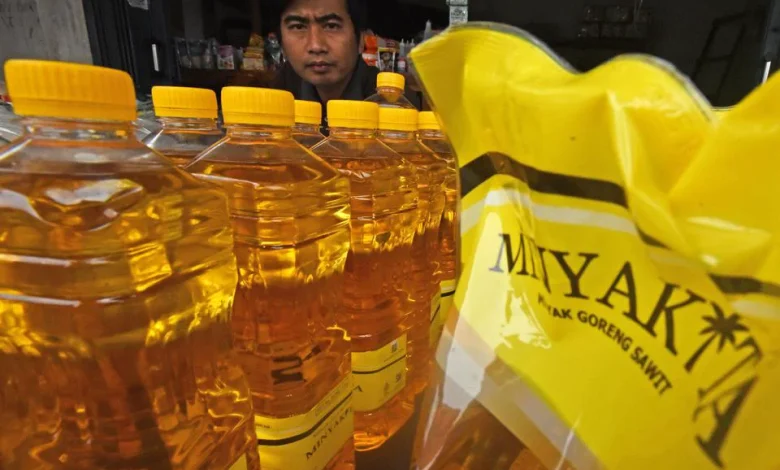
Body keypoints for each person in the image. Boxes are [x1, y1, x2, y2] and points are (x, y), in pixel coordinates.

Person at [271, 0, 421, 128]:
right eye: (298, 27)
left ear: (361, 40)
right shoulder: (277, 93)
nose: (316, 46)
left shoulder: (392, 103)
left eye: (331, 26)